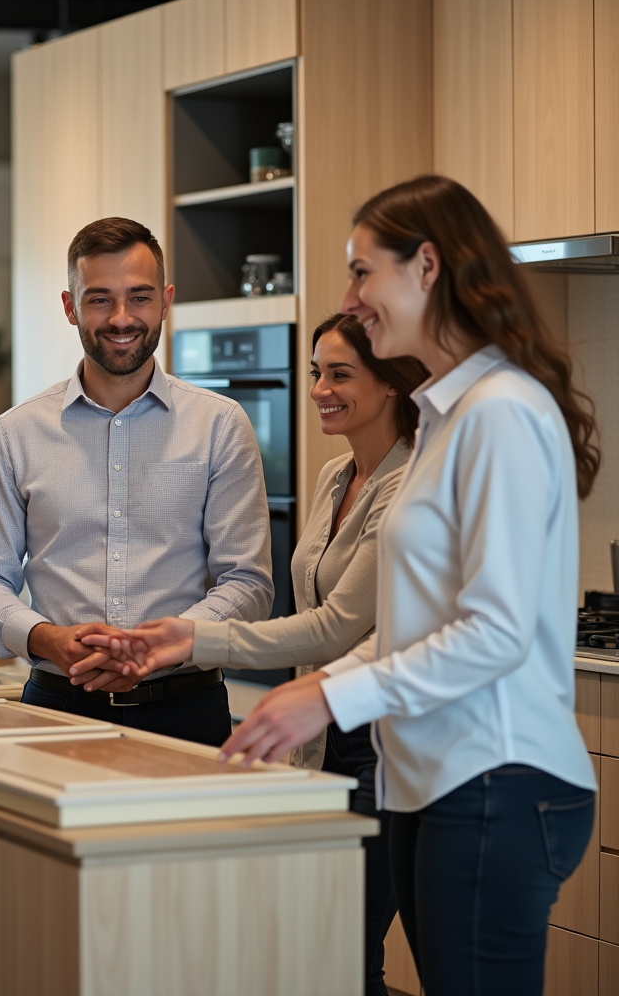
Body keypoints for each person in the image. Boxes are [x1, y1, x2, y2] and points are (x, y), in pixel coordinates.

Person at [217, 176, 599, 996]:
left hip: (497, 778)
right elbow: (418, 619)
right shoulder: (444, 417)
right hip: (432, 778)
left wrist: (326, 695)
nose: (351, 300)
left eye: (362, 273)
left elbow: (493, 632)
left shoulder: (501, 410)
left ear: (427, 266)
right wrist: (324, 690)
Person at [75, 311, 428, 996]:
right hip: (321, 743)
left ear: (391, 384)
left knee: (339, 958)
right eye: (317, 372)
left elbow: (332, 628)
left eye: (341, 374)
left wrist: (188, 636)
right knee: (321, 956)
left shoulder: (410, 483)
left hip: (386, 748)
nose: (321, 388)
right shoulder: (333, 477)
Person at [0, 216, 274, 746]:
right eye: (99, 299)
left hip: (188, 713)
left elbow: (249, 582)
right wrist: (44, 638)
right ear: (69, 305)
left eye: (140, 297)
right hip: (57, 709)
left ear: (166, 301)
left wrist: (164, 645)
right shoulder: (17, 433)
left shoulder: (220, 426)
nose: (121, 318)